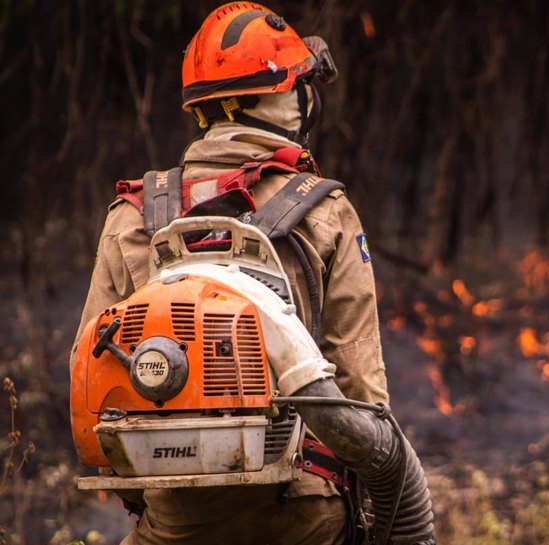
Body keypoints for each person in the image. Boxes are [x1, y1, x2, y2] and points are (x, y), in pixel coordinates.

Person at [74, 3, 433, 544]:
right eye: (298, 85)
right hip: (305, 513)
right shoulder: (325, 211)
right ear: (279, 96)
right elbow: (363, 396)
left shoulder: (133, 217)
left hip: (177, 518)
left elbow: (91, 382)